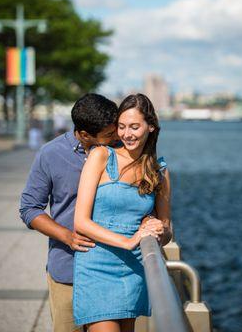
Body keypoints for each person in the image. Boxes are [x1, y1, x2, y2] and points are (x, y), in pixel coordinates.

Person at [20, 93, 119, 332]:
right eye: (109, 135)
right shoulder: (50, 154)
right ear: (84, 134)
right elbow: (29, 208)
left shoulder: (122, 150)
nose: (117, 137)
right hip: (68, 270)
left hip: (113, 270)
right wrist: (67, 236)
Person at [73, 93, 171, 332]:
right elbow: (81, 222)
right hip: (96, 266)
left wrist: (158, 230)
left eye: (135, 127)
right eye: (122, 127)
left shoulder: (159, 172)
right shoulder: (101, 156)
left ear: (151, 127)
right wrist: (128, 241)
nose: (127, 134)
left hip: (134, 270)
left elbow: (168, 231)